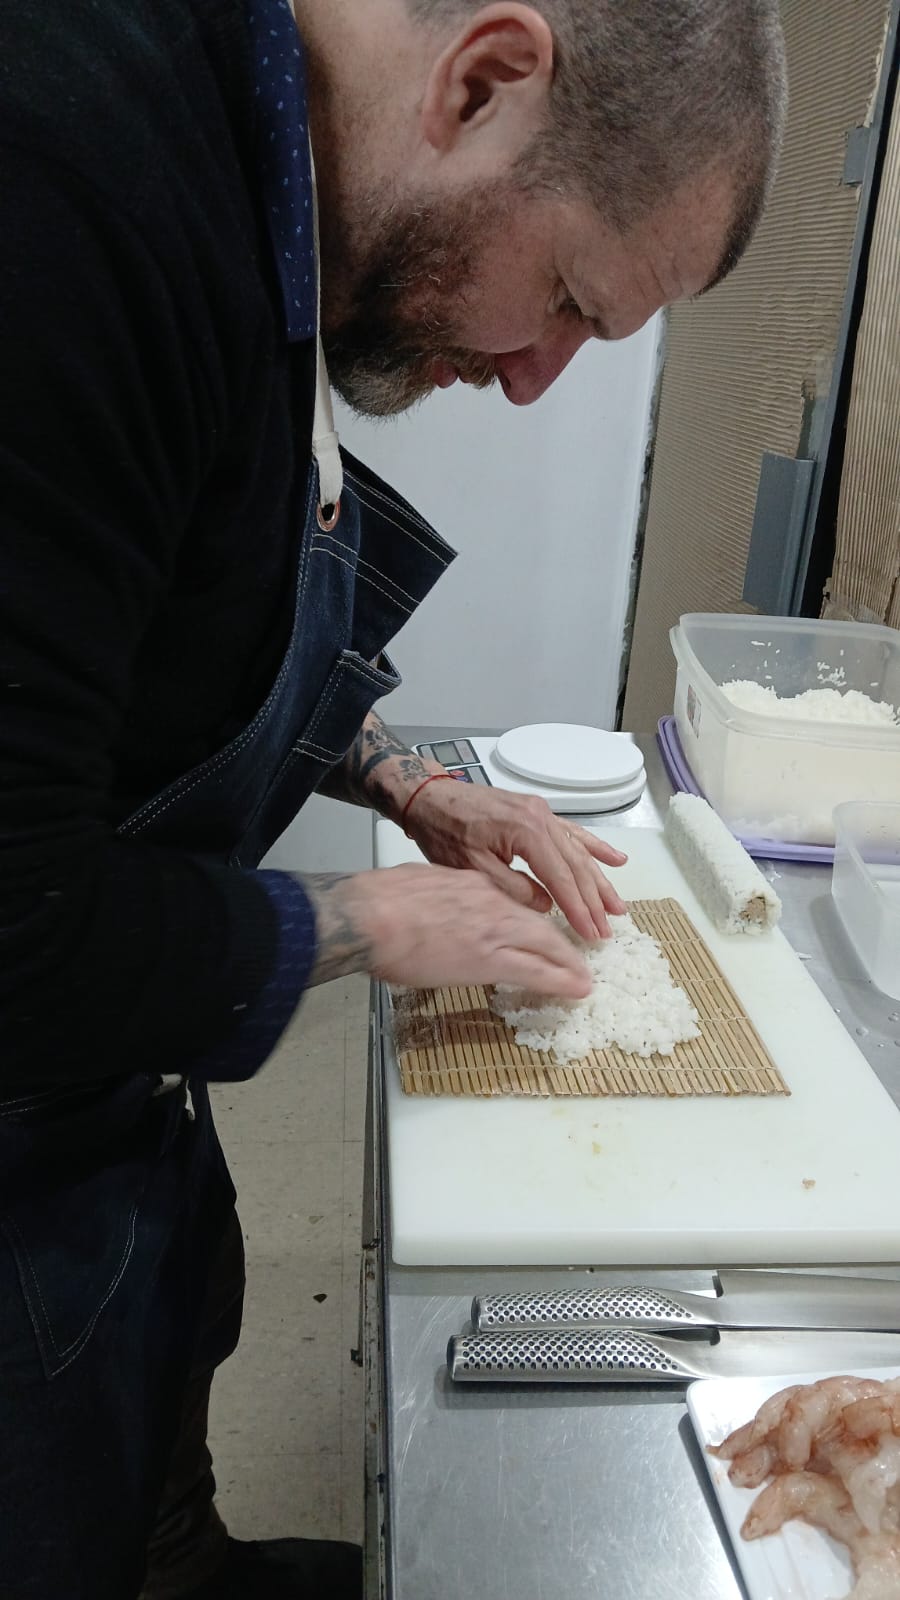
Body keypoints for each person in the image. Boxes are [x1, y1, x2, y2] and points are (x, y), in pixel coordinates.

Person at [0, 0, 786, 1594]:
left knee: (157, 1438)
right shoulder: (67, 198)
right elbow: (18, 922)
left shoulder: (282, 188)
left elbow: (166, 620)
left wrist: (406, 780)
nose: (534, 380)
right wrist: (357, 920)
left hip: (120, 1086)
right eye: (565, 301)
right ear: (483, 79)